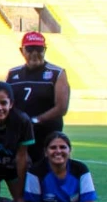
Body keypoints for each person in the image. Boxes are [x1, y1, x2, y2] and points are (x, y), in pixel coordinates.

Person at [6, 32, 70, 164]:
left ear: (45, 50)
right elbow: (7, 103)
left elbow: (61, 107)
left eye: (39, 49)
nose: (35, 53)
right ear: (22, 50)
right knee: (21, 175)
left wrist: (35, 120)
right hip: (21, 136)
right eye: (30, 49)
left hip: (47, 135)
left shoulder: (56, 73)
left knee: (45, 174)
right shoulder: (13, 74)